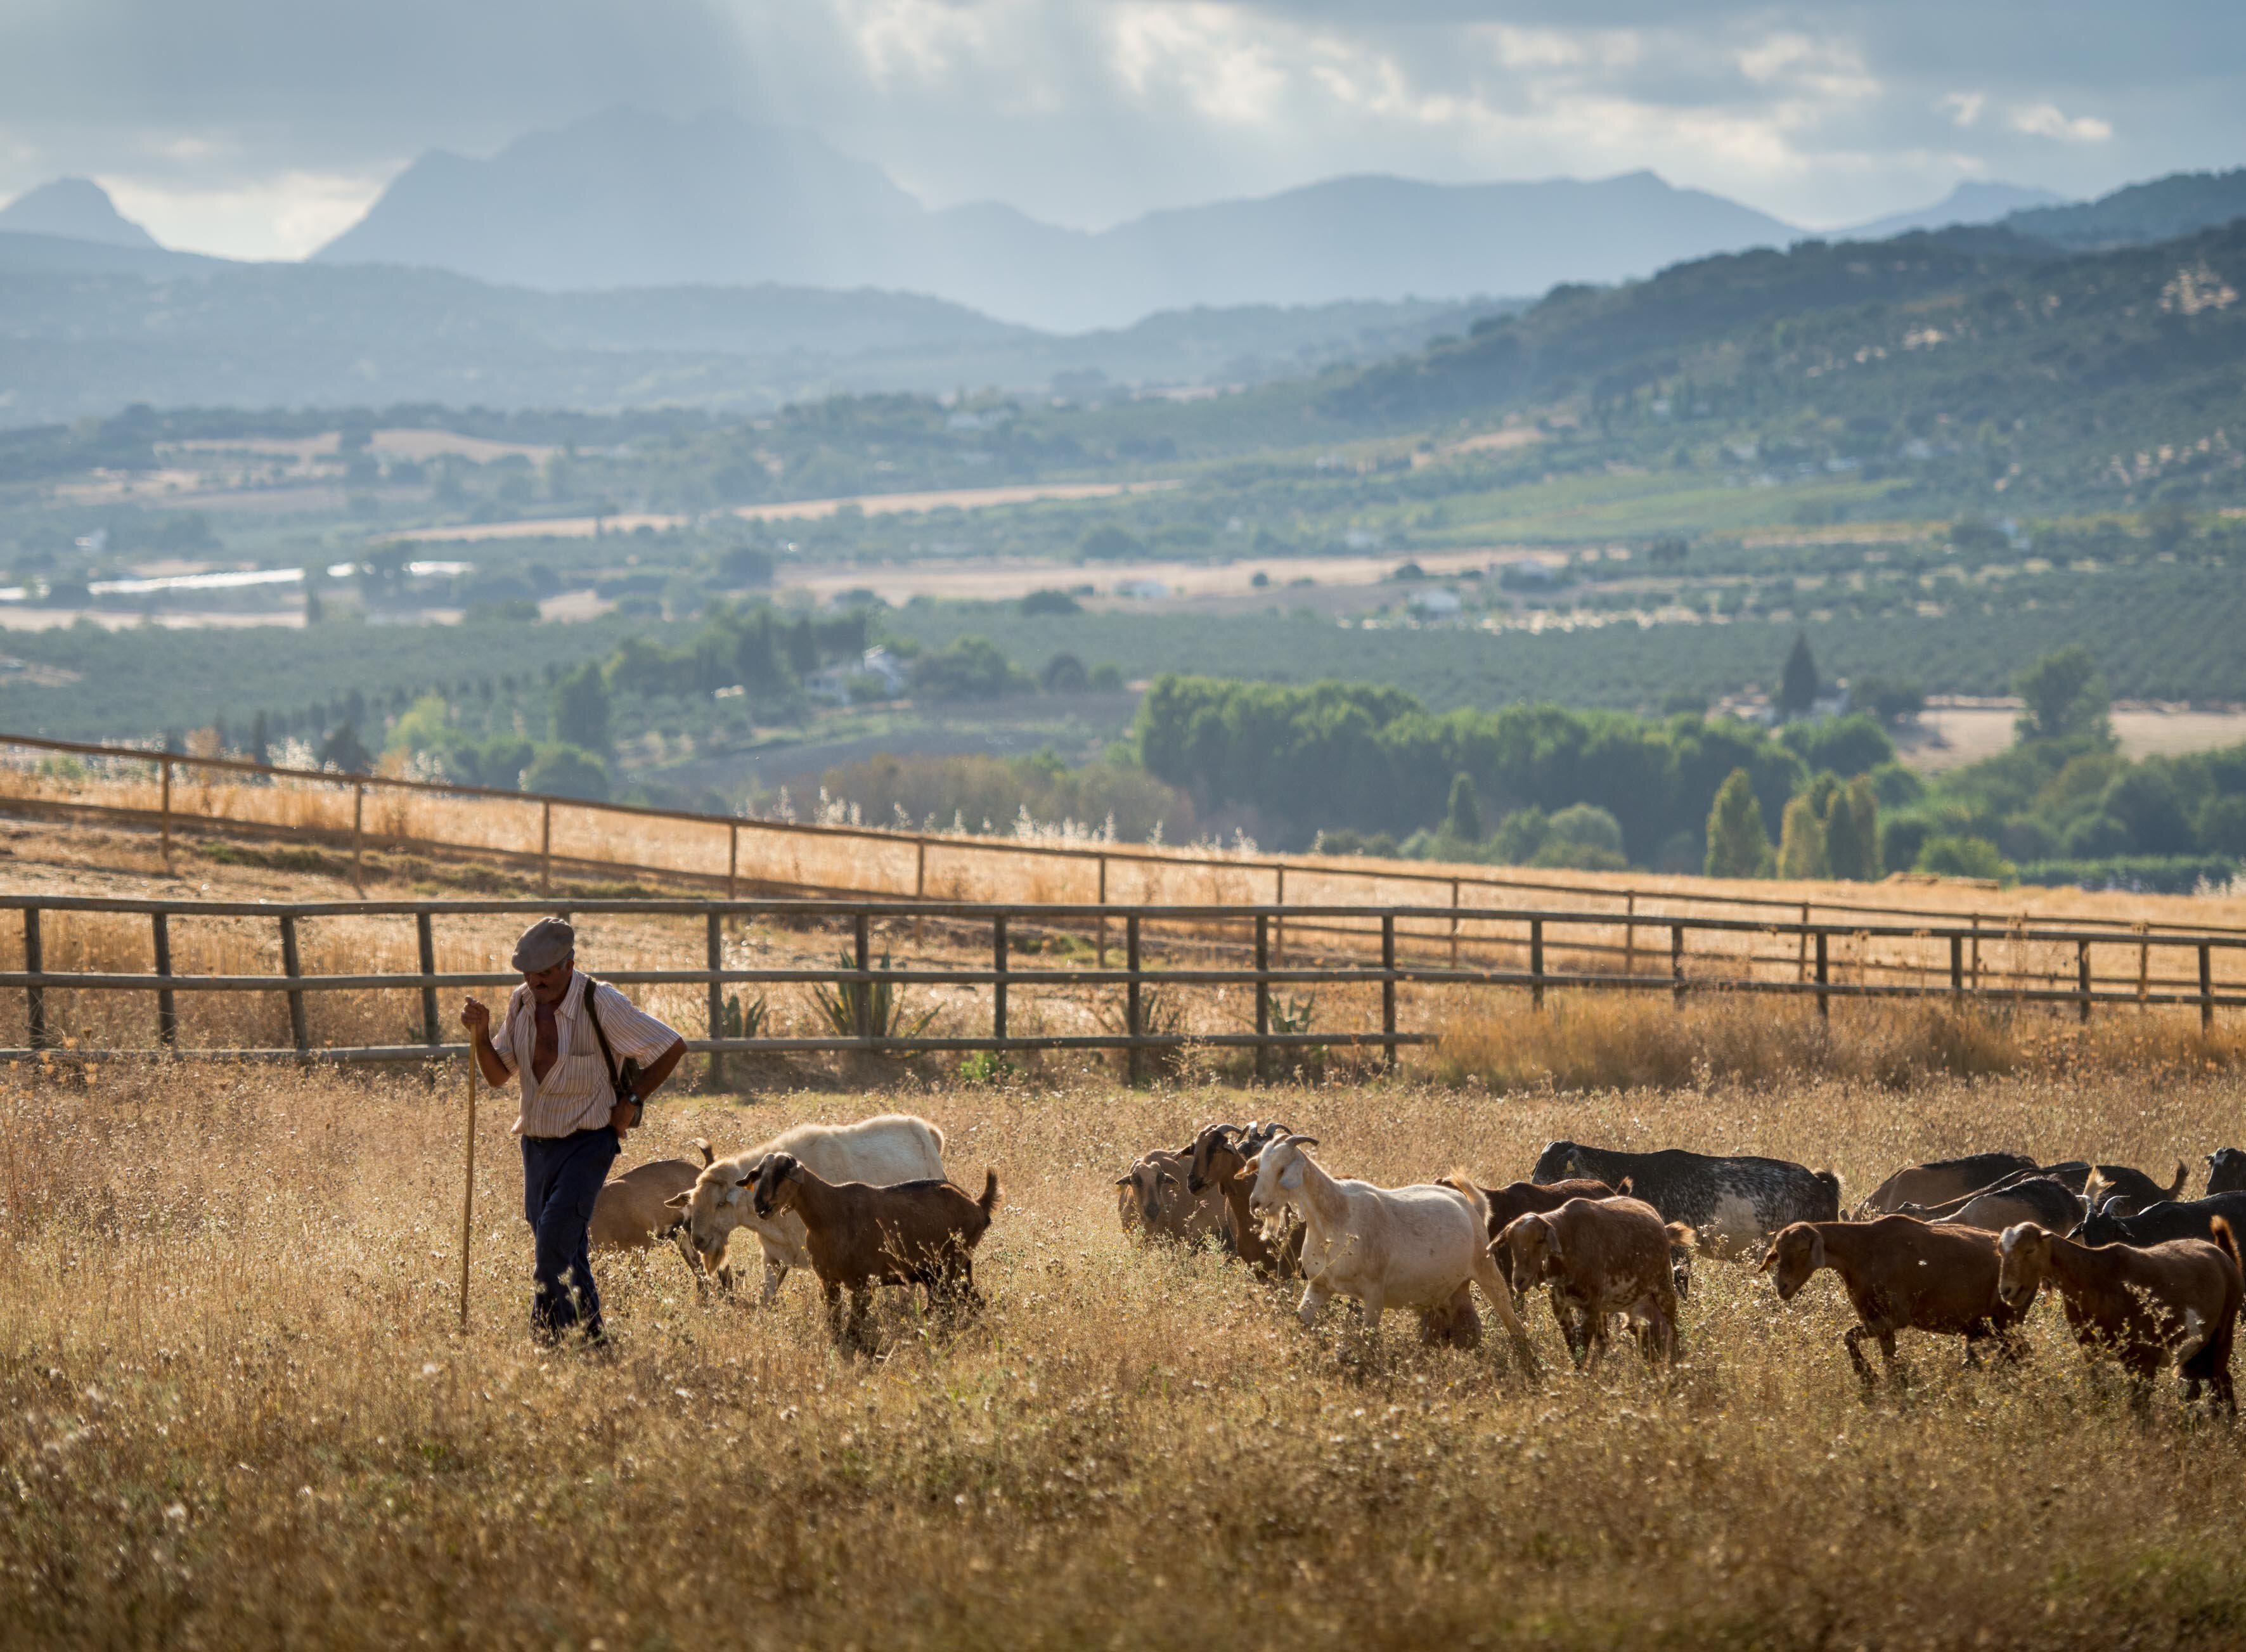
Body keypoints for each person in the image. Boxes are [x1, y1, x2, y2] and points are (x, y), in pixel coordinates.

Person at [461, 915, 687, 1345]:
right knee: (566, 1247)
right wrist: (481, 1036)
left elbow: (671, 1045)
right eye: (528, 972)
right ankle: (593, 1340)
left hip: (589, 1141)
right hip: (536, 1144)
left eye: (546, 971)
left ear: (569, 963)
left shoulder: (601, 1002)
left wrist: (632, 1099)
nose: (536, 980)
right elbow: (497, 1076)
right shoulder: (521, 1002)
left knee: (552, 1243)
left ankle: (548, 1339)